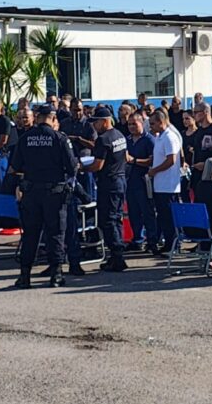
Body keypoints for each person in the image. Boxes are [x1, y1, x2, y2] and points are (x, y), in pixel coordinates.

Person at [10, 104, 78, 288]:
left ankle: (25, 276)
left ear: (37, 117)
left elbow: (15, 167)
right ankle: (56, 275)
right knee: (55, 233)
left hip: (31, 193)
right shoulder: (60, 138)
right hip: (54, 193)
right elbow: (72, 168)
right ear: (54, 119)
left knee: (31, 235)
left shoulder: (25, 138)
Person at [82, 107, 129, 272]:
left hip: (108, 183)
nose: (93, 125)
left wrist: (80, 167)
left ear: (104, 121)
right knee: (116, 218)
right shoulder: (119, 135)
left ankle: (117, 256)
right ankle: (117, 254)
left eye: (95, 122)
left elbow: (97, 165)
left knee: (107, 220)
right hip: (120, 180)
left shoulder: (103, 139)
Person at [147, 109, 183, 255]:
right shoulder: (160, 136)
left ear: (161, 122)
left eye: (153, 123)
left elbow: (171, 160)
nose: (151, 126)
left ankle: (174, 244)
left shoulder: (169, 136)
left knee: (169, 217)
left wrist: (155, 170)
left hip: (168, 185)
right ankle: (168, 243)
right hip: (160, 185)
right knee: (163, 216)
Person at [124, 114, 156, 252]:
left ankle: (152, 241)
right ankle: (137, 239)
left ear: (142, 123)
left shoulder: (149, 140)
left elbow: (152, 161)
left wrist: (134, 160)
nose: (131, 127)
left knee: (147, 212)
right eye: (129, 124)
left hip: (144, 180)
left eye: (134, 124)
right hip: (130, 180)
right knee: (133, 212)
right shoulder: (127, 140)